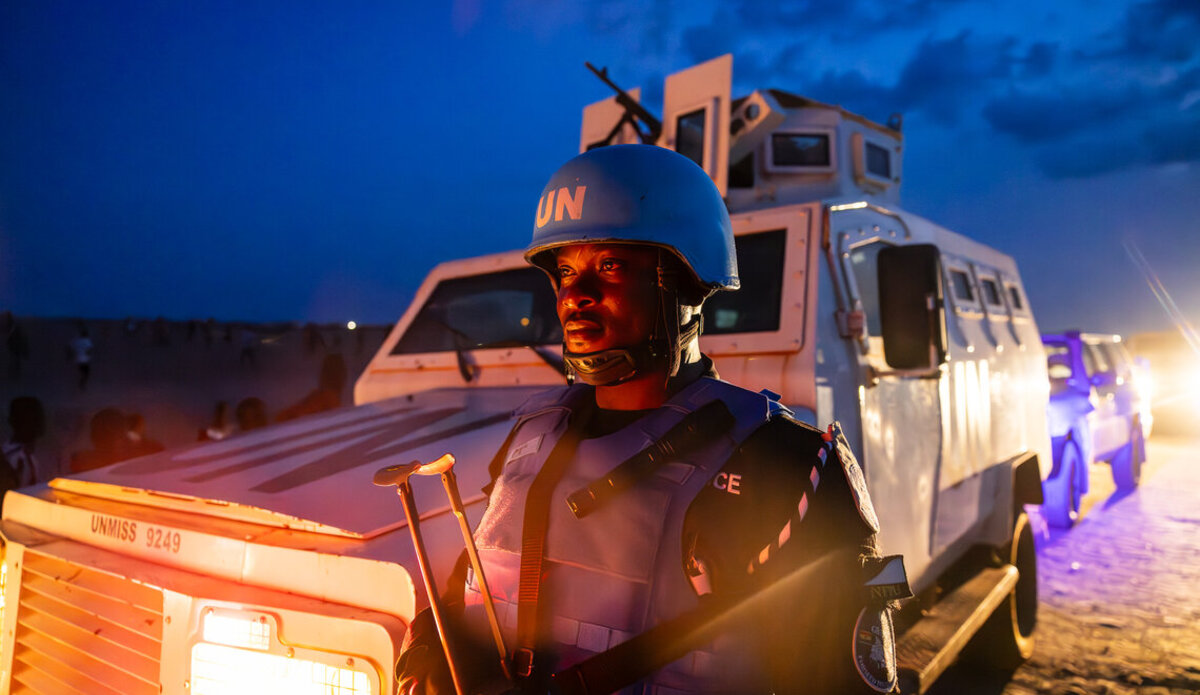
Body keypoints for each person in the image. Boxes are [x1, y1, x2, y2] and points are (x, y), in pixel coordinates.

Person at [395, 145, 902, 694]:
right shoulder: (531, 436)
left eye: (610, 267)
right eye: (565, 272)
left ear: (685, 282)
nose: (576, 296)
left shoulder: (785, 463)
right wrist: (426, 651)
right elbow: (469, 592)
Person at [275, 353, 347, 422]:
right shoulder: (329, 400)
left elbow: (282, 417)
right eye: (342, 373)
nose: (344, 377)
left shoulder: (317, 396)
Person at [70, 323, 94, 391]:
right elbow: (89, 350)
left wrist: (70, 355)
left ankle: (81, 384)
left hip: (78, 359)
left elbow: (70, 348)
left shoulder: (77, 340)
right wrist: (88, 356)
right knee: (86, 373)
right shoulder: (87, 341)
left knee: (83, 372)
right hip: (84, 360)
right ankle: (82, 385)